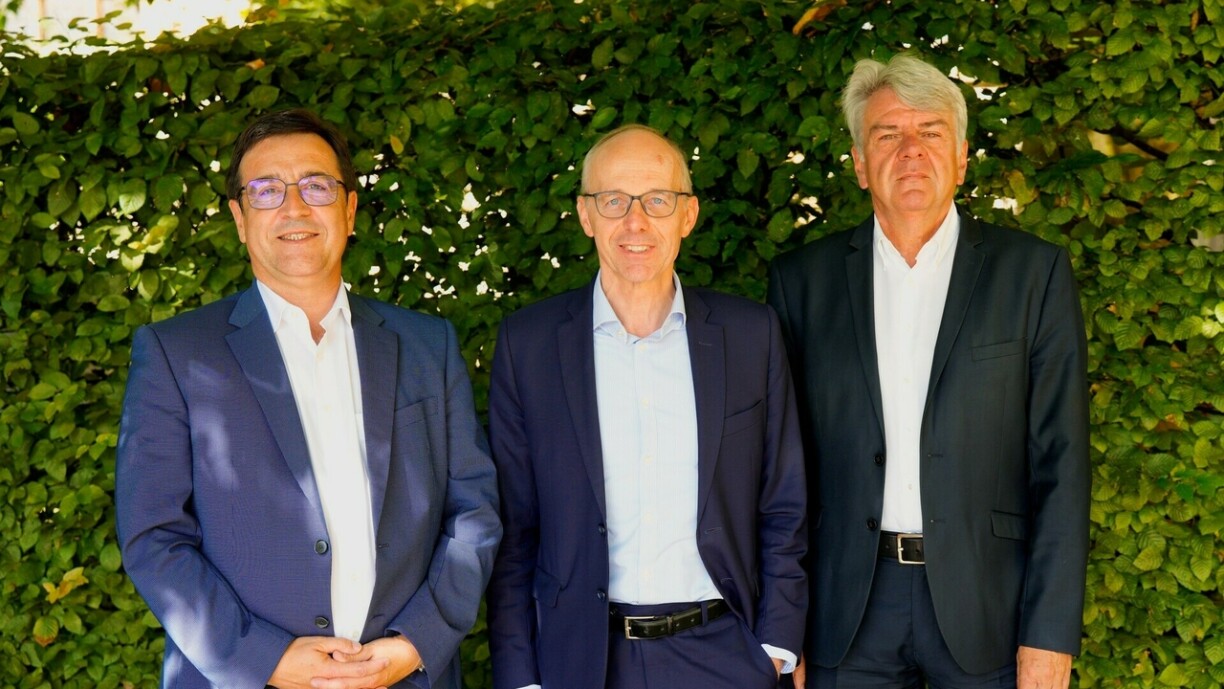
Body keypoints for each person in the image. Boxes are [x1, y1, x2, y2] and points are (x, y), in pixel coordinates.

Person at [115, 109, 501, 689]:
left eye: (316, 186)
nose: (294, 207)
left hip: (407, 676)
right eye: (266, 191)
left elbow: (472, 511)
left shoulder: (427, 344)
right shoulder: (177, 354)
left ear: (348, 211)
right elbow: (154, 536)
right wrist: (263, 659)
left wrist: (417, 641)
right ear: (240, 220)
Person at [767, 54, 1090, 689]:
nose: (910, 151)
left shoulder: (1034, 275)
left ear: (963, 156)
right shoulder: (802, 283)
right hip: (843, 614)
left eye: (931, 133)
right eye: (888, 135)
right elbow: (782, 468)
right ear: (860, 165)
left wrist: (1049, 634)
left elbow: (1062, 463)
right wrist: (785, 623)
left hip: (987, 608)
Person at [486, 124, 807, 689]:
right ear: (586, 216)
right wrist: (521, 676)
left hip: (725, 656)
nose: (636, 223)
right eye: (613, 201)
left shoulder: (750, 335)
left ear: (688, 215)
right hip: (582, 662)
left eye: (658, 201)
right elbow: (515, 528)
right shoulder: (528, 345)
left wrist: (776, 646)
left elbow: (783, 502)